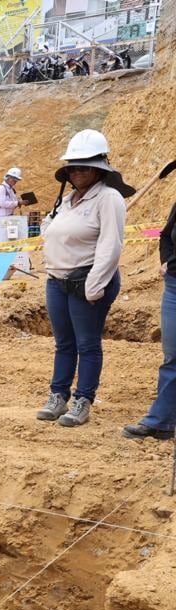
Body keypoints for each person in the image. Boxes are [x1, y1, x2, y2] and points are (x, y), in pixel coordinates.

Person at [36, 129, 134, 426]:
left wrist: (96, 283)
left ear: (99, 168)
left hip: (87, 280)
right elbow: (48, 229)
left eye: (85, 166)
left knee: (87, 343)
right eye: (73, 167)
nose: (78, 171)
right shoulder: (67, 201)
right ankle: (58, 395)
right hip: (58, 279)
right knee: (64, 343)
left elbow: (111, 244)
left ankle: (83, 400)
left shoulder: (108, 198)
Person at [123, 159, 176, 440]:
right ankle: (161, 421)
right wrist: (167, 260)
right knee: (173, 356)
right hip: (175, 288)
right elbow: (166, 235)